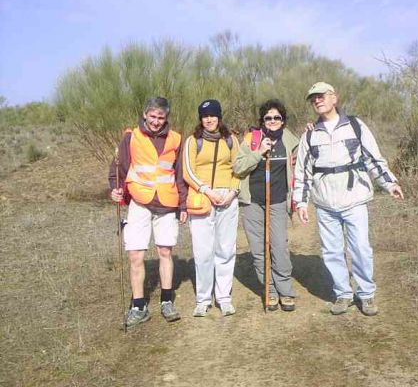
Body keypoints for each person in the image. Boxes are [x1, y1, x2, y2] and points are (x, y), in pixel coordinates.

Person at [293, 82, 404, 316]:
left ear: (334, 98)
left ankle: (366, 294)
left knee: (361, 249)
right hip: (324, 203)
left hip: (354, 200)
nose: (317, 100)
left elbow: (374, 158)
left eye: (321, 96)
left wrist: (389, 183)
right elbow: (302, 171)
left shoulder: (355, 126)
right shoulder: (310, 134)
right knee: (332, 251)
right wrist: (301, 202)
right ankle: (343, 294)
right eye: (313, 98)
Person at [109, 97, 188, 327]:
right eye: (152, 116)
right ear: (145, 115)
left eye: (160, 117)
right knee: (135, 255)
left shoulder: (176, 139)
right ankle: (138, 305)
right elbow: (119, 169)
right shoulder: (131, 137)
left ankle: (166, 301)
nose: (155, 121)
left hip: (166, 204)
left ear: (166, 118)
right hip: (140, 203)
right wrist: (115, 191)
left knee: (165, 252)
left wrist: (183, 205)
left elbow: (180, 174)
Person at [233, 99, 299, 311]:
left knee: (279, 246)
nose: (272, 121)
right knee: (259, 249)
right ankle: (269, 290)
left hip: (278, 202)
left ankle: (285, 290)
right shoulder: (251, 139)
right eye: (268, 118)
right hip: (253, 202)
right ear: (262, 120)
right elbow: (238, 167)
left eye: (276, 117)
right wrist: (258, 152)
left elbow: (305, 158)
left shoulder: (290, 140)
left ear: (283, 121)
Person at [183, 99, 240, 317]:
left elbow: (238, 169)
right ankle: (203, 299)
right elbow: (188, 171)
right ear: (201, 119)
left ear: (219, 117)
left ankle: (224, 298)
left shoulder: (230, 140)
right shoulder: (192, 141)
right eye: (205, 116)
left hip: (227, 198)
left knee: (226, 249)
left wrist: (232, 192)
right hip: (201, 199)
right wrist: (208, 191)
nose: (209, 119)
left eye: (213, 115)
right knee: (203, 251)